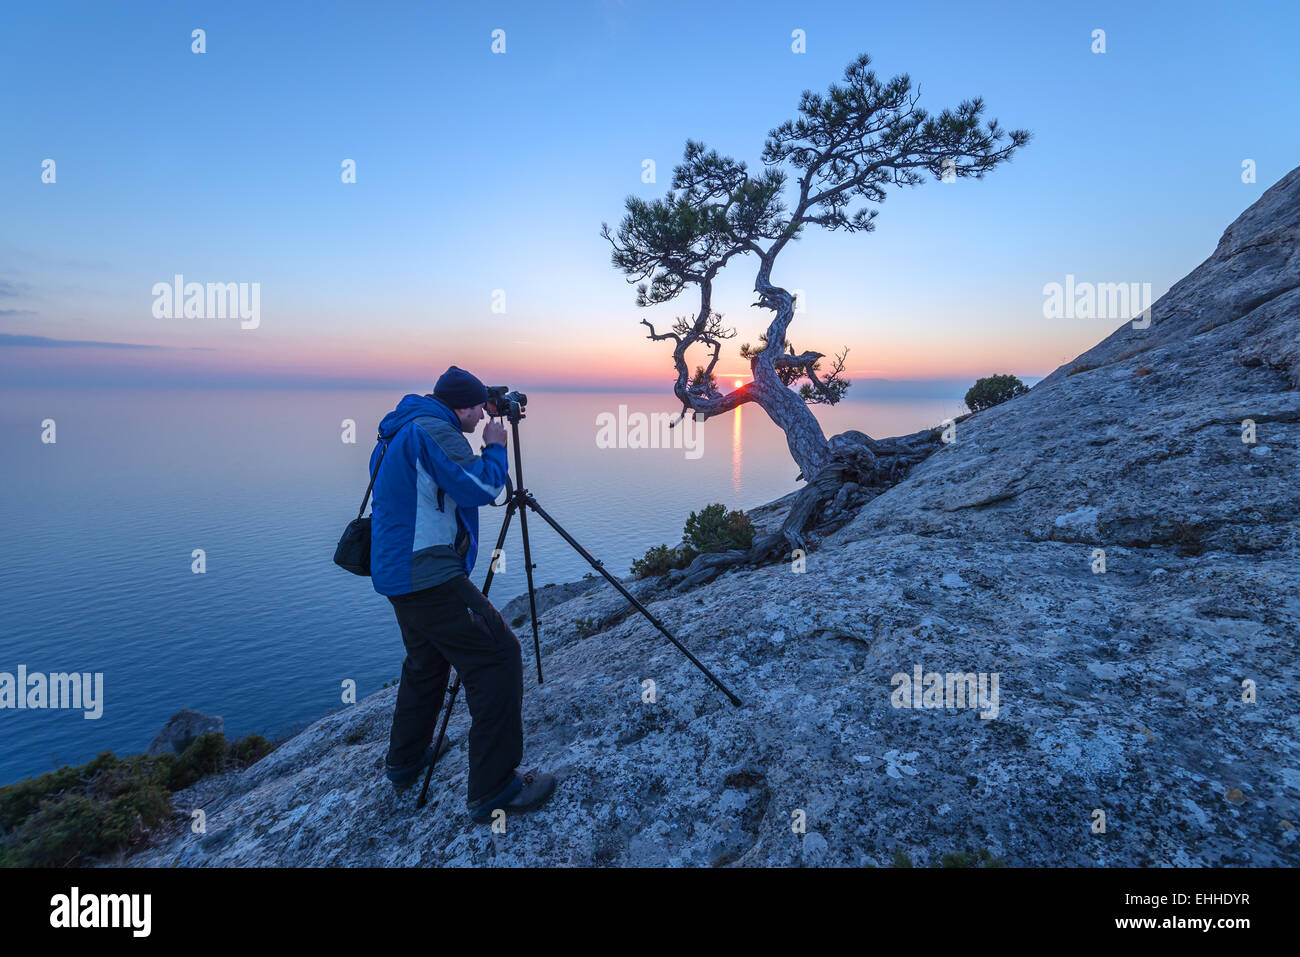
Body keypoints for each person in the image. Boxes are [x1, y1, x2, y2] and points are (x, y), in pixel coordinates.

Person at [368, 365, 556, 822]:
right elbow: (479, 487)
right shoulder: (436, 431)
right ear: (464, 407)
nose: (481, 418)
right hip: (427, 573)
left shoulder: (401, 426)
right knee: (497, 657)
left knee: (426, 663)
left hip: (397, 571)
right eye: (479, 411)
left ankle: (406, 760)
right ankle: (494, 788)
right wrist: (495, 447)